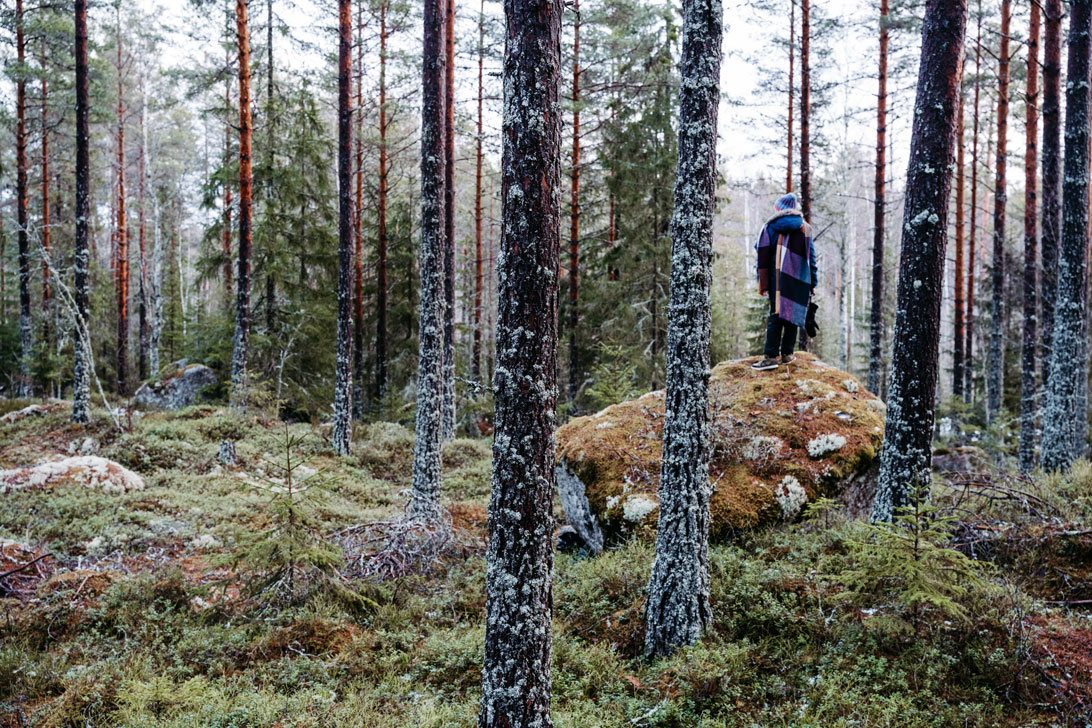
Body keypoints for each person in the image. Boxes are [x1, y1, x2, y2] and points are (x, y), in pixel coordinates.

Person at [752, 192, 817, 370]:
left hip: (777, 279)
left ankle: (771, 357)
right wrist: (813, 283)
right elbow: (811, 257)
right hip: (798, 278)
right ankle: (787, 354)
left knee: (776, 315)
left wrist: (762, 281)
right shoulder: (805, 228)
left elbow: (762, 256)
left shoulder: (770, 227)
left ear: (779, 209)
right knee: (792, 314)